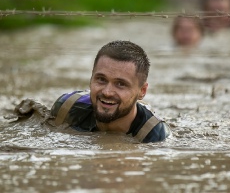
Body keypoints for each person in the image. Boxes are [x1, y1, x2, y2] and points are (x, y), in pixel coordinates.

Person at [13, 40, 171, 143]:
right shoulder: (66, 108)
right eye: (101, 80)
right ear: (91, 78)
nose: (107, 92)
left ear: (142, 91)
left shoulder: (154, 135)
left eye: (121, 84)